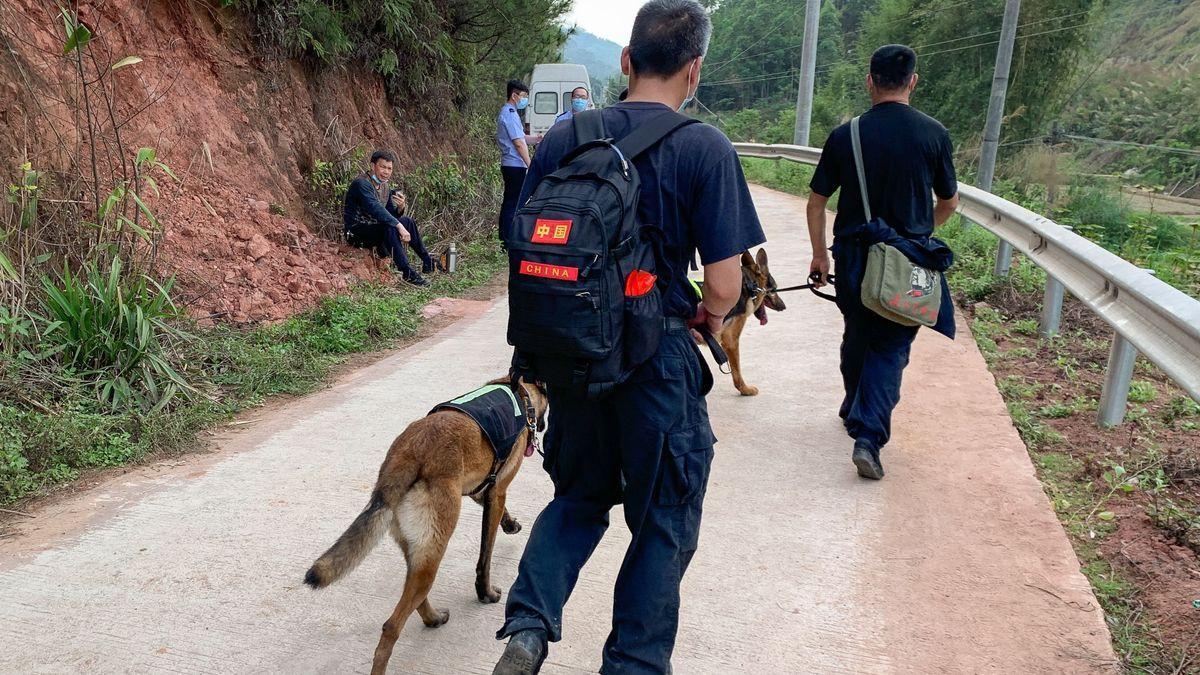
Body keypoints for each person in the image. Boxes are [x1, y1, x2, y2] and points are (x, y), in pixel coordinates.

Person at [492, 2, 764, 674]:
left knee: (579, 497)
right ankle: (633, 664)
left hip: (575, 358)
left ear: (625, 61)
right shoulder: (704, 146)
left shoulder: (564, 137)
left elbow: (528, 243)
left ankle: (528, 627)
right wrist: (704, 316)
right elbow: (727, 286)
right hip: (658, 363)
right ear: (694, 69)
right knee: (663, 519)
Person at [806, 44, 960, 480]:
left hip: (853, 257)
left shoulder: (846, 135)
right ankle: (868, 436)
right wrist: (918, 234)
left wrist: (819, 253)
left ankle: (855, 403)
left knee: (858, 330)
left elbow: (816, 202)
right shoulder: (933, 134)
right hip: (907, 261)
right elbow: (949, 201)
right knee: (890, 346)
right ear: (913, 81)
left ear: (869, 81)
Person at [343, 150, 438, 286]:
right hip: (356, 232)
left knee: (407, 221)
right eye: (382, 167)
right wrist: (399, 226)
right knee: (392, 225)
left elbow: (389, 215)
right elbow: (375, 208)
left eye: (389, 168)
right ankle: (407, 273)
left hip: (376, 229)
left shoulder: (385, 186)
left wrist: (400, 208)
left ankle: (428, 262)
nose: (386, 172)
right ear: (372, 166)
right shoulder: (361, 184)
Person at [497, 79, 533, 242]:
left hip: (512, 164)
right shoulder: (509, 114)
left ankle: (507, 237)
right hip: (514, 165)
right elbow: (518, 143)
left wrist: (538, 139)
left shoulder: (511, 113)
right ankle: (507, 239)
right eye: (524, 96)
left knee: (511, 201)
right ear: (514, 95)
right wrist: (530, 164)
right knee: (512, 203)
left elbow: (522, 138)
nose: (525, 100)